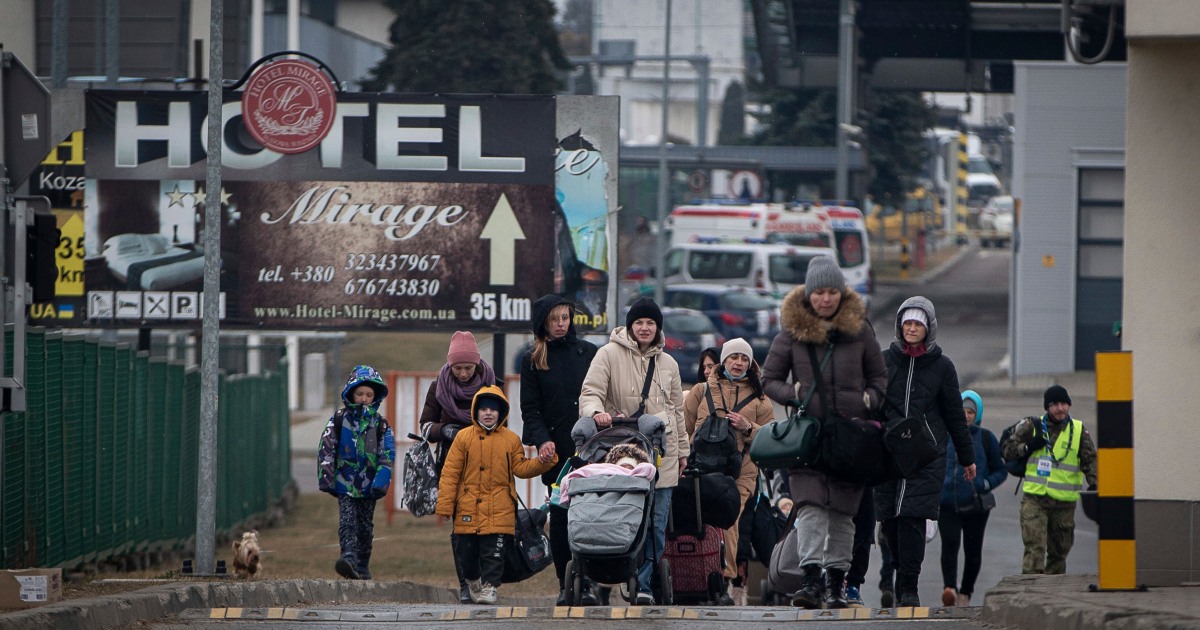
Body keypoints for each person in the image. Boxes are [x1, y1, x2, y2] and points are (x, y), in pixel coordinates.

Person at [761, 255, 887, 610]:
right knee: (812, 511)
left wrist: (869, 399)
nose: (825, 299)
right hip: (810, 439)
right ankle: (811, 582)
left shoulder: (860, 331)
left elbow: (880, 378)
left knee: (843, 516)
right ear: (808, 294)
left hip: (851, 439)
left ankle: (836, 585)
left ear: (841, 293)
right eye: (819, 293)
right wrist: (796, 394)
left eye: (832, 292)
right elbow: (769, 379)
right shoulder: (791, 332)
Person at [579, 296, 689, 605]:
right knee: (619, 517)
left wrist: (682, 451)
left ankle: (644, 584)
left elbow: (677, 411)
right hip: (619, 453)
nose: (644, 328)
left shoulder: (669, 364)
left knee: (655, 524)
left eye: (650, 323)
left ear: (658, 328)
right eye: (639, 322)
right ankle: (608, 573)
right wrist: (595, 412)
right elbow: (591, 392)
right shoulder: (608, 355)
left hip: (661, 455)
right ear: (630, 326)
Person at [875, 297, 977, 607]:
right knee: (890, 519)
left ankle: (909, 586)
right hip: (888, 453)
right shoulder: (884, 360)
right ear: (899, 326)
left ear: (928, 328)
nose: (912, 328)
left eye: (918, 323)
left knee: (913, 518)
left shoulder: (943, 367)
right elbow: (871, 402)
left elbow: (954, 416)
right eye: (907, 322)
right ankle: (896, 569)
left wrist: (967, 456)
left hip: (926, 455)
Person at [435, 386, 557, 605]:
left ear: (501, 413)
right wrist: (445, 506)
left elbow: (521, 468)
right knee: (466, 551)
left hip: (500, 508)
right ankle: (473, 581)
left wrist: (543, 462)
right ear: (476, 411)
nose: (488, 413)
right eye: (484, 409)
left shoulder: (510, 439)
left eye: (493, 409)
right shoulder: (463, 438)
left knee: (495, 553)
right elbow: (450, 473)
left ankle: (490, 587)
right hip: (467, 507)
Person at [519, 294, 598, 605]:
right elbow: (531, 409)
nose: (561, 324)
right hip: (555, 455)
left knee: (591, 515)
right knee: (562, 518)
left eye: (565, 318)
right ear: (544, 324)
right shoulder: (533, 360)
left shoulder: (589, 353)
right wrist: (542, 440)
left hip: (589, 450)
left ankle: (589, 582)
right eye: (555, 320)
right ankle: (566, 584)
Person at [682, 338, 774, 606]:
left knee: (728, 520)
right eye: (734, 357)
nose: (738, 363)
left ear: (751, 364)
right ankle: (694, 577)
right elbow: (685, 430)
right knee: (697, 520)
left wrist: (748, 427)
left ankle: (724, 579)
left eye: (744, 359)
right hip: (701, 467)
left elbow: (771, 441)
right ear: (724, 361)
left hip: (741, 472)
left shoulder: (761, 400)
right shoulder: (701, 391)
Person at [420, 330, 497, 602]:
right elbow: (425, 427)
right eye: (457, 368)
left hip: (487, 467)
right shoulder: (437, 388)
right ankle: (466, 584)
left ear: (477, 364)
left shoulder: (491, 386)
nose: (463, 373)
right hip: (451, 468)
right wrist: (447, 430)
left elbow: (503, 424)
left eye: (468, 367)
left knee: (487, 529)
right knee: (461, 530)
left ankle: (486, 584)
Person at [1001, 385, 1097, 575]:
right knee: (1034, 550)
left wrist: (1095, 484)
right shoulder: (1032, 426)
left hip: (1064, 503)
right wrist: (1028, 447)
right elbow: (1007, 449)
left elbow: (1090, 461)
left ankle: (1052, 594)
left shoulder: (1078, 431)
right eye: (1055, 405)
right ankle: (1029, 595)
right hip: (1035, 499)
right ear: (1047, 407)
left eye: (1063, 404)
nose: (1060, 409)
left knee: (1059, 555)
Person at [317, 365, 395, 581]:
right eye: (359, 393)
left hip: (369, 486)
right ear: (351, 393)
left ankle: (362, 564)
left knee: (365, 526)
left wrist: (381, 481)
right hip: (345, 483)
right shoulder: (339, 420)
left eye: (369, 395)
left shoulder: (380, 425)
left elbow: (387, 455)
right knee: (348, 521)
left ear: (375, 397)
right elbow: (326, 448)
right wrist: (327, 476)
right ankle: (348, 556)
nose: (363, 398)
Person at [938, 390, 1007, 607]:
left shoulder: (986, 438)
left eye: (970, 412)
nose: (966, 415)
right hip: (947, 503)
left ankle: (965, 593)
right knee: (949, 546)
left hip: (976, 507)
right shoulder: (945, 435)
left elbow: (1000, 470)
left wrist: (985, 484)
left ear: (977, 414)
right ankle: (949, 589)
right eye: (962, 411)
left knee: (973, 550)